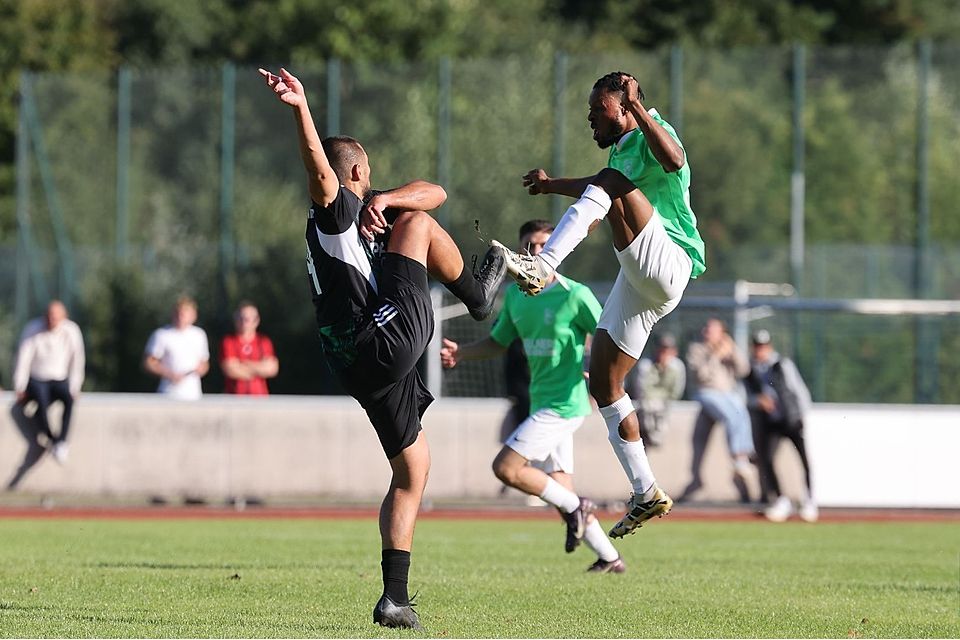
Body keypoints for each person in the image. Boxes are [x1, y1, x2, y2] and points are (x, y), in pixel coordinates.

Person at [259, 67, 506, 631]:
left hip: (356, 364)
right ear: (356, 171)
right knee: (417, 225)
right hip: (378, 339)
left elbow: (437, 190)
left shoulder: (372, 207)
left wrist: (388, 198)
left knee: (412, 471)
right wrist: (301, 108)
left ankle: (393, 598)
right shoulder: (336, 209)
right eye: (366, 177)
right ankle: (479, 297)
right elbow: (320, 172)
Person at [492, 71, 706, 538]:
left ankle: (542, 265)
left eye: (599, 110)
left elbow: (674, 160)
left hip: (672, 262)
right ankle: (646, 491)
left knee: (610, 184)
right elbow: (599, 185)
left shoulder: (655, 133)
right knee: (607, 385)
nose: (591, 119)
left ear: (628, 107)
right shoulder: (622, 151)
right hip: (641, 282)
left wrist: (642, 112)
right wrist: (552, 186)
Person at [441, 219, 625, 573]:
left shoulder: (575, 295)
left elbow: (611, 339)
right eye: (530, 246)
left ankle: (577, 508)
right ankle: (609, 557)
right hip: (542, 400)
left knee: (506, 468)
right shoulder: (514, 296)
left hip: (565, 404)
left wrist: (602, 374)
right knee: (560, 488)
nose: (536, 252)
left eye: (544, 245)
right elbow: (498, 342)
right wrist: (462, 353)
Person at [744, 329, 818, 522]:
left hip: (791, 419)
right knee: (767, 459)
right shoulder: (751, 370)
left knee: (803, 459)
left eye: (763, 347)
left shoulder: (782, 365)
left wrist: (802, 415)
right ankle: (780, 499)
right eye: (757, 347)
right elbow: (746, 396)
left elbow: (798, 389)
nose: (760, 351)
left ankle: (809, 500)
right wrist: (757, 401)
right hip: (772, 422)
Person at [683, 317, 754, 502]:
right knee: (732, 417)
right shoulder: (696, 349)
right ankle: (739, 460)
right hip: (707, 393)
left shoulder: (727, 347)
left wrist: (733, 351)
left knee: (702, 435)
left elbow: (744, 370)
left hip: (727, 394)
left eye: (712, 329)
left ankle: (741, 460)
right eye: (706, 327)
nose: (707, 331)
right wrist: (716, 357)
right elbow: (701, 375)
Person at [12, 300, 85, 464]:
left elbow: (77, 360)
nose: (52, 320)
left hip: (59, 379)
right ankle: (53, 440)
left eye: (56, 317)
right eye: (50, 316)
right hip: (37, 379)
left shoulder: (71, 331)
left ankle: (62, 442)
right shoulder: (33, 329)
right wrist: (20, 386)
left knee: (68, 399)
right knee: (41, 402)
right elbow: (23, 358)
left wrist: (75, 386)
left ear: (63, 317)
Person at [624, 332, 685, 447]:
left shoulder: (677, 367)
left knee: (663, 412)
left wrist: (666, 369)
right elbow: (641, 390)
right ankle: (650, 436)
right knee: (647, 409)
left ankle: (657, 437)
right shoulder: (646, 365)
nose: (665, 354)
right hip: (647, 402)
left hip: (666, 402)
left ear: (674, 352)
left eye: (668, 351)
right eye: (662, 350)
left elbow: (676, 391)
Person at [143, 296, 210, 400]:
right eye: (178, 312)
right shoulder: (162, 334)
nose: (180, 316)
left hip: (194, 395)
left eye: (184, 313)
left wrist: (201, 369)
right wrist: (169, 374)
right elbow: (149, 362)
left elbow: (204, 363)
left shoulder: (199, 335)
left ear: (193, 315)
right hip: (167, 393)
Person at [220, 302, 279, 395]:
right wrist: (259, 368)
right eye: (241, 318)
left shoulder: (264, 341)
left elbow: (272, 369)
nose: (244, 322)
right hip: (234, 398)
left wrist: (243, 364)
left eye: (248, 319)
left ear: (256, 320)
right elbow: (230, 369)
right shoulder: (229, 341)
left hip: (260, 398)